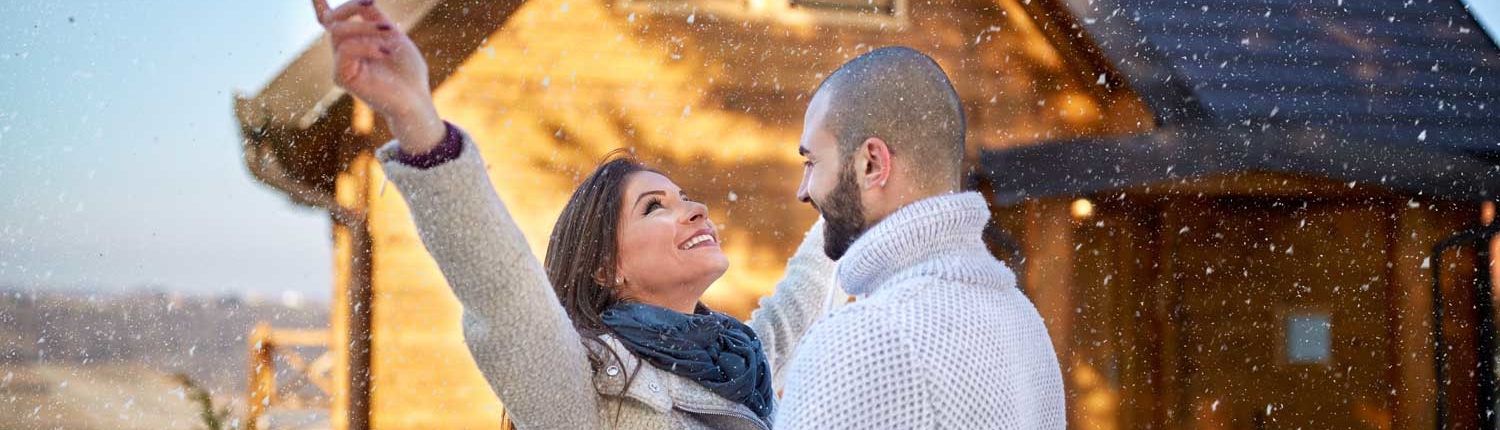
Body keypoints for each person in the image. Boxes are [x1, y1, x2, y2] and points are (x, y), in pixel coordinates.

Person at [310, 1, 839, 428]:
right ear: (608, 270)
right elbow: (501, 290)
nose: (695, 210)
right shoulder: (589, 385)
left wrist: (849, 198)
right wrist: (414, 115)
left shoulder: (734, 364)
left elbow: (801, 298)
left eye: (683, 197)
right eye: (656, 207)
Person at [775, 47, 1067, 429]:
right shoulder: (1023, 320)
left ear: (871, 164)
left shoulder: (863, 337)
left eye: (812, 162)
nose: (803, 190)